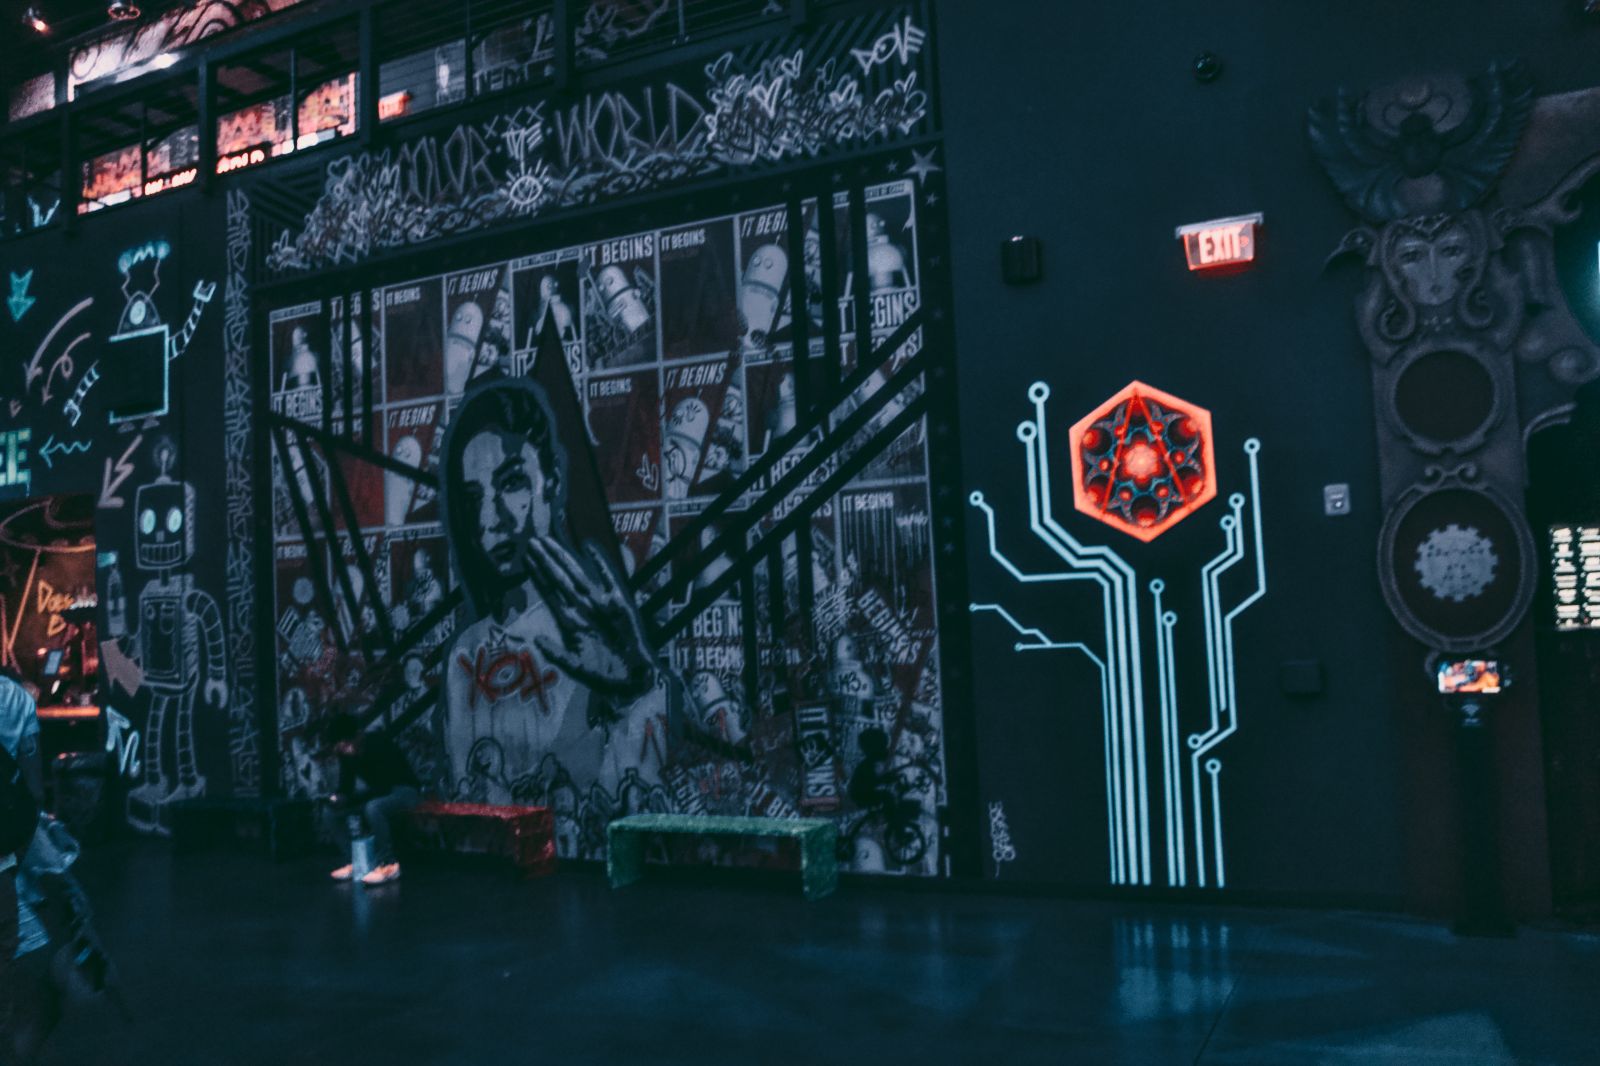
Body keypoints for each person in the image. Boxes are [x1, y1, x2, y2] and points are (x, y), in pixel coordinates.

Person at [440, 379, 669, 842]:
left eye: (511, 483)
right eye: (473, 498)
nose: (489, 519)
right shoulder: (466, 655)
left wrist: (636, 690)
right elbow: (467, 803)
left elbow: (641, 802)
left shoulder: (598, 632)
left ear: (553, 483)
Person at [324, 713, 421, 886]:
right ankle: (355, 862)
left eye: (346, 744)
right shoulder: (347, 755)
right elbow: (346, 786)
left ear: (357, 736)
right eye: (340, 747)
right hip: (378, 794)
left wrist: (352, 800)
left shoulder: (378, 743)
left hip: (404, 790)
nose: (344, 750)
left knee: (373, 807)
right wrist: (338, 798)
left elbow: (384, 785)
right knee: (329, 813)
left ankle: (388, 865)